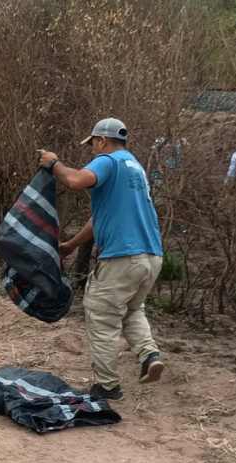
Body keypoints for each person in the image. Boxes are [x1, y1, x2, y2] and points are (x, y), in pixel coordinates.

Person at [38, 117, 165, 401]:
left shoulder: (109, 161)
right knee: (133, 309)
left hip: (122, 256)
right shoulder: (135, 168)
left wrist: (53, 162)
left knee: (101, 314)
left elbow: (74, 180)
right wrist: (70, 245)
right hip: (151, 257)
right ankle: (149, 355)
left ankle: (107, 386)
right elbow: (100, 219)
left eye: (93, 144)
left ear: (102, 141)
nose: (92, 150)